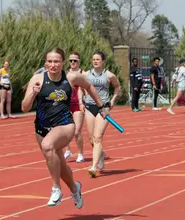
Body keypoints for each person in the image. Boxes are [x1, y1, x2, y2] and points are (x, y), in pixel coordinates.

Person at [22, 48, 110, 208]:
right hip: (42, 128)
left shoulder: (71, 77)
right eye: (49, 61)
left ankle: (56, 189)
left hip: (64, 124)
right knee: (60, 165)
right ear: (45, 63)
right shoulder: (37, 79)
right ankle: (75, 189)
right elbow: (25, 108)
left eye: (56, 61)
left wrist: (102, 106)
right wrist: (32, 94)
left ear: (63, 63)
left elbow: (89, 87)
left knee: (48, 146)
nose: (53, 65)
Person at [83, 51, 121, 178]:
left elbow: (117, 87)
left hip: (103, 108)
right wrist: (82, 98)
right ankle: (101, 154)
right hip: (89, 107)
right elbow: (81, 86)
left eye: (97, 59)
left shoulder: (109, 75)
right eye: (93, 59)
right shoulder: (86, 74)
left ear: (102, 61)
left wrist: (112, 100)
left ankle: (93, 167)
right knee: (91, 139)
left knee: (98, 137)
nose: (95, 61)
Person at [64, 52, 85, 163]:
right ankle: (67, 150)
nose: (72, 62)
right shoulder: (66, 73)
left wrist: (82, 102)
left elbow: (84, 88)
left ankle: (81, 154)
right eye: (71, 60)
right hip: (67, 104)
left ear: (79, 61)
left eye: (75, 60)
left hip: (78, 104)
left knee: (77, 131)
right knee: (67, 129)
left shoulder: (82, 73)